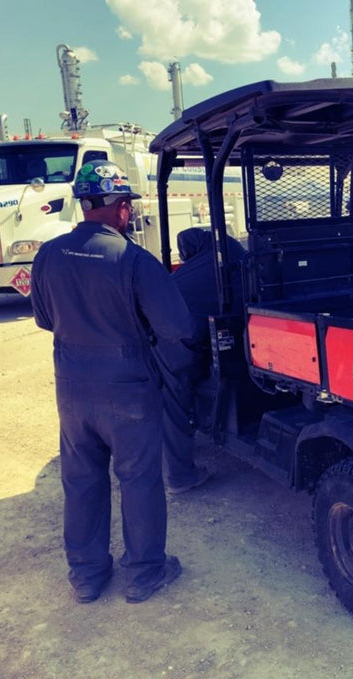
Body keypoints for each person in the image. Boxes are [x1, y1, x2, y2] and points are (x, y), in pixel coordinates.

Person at [31, 160, 194, 604]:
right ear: (122, 208)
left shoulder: (47, 255)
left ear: (83, 206)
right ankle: (144, 573)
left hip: (72, 385)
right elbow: (177, 327)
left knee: (81, 479)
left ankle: (86, 576)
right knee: (138, 477)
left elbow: (45, 319)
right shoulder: (133, 259)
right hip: (127, 386)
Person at [154, 227, 245, 492]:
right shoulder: (228, 254)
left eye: (186, 253)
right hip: (191, 335)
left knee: (171, 401)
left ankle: (178, 476)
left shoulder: (192, 271)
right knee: (176, 397)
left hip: (171, 337)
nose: (185, 258)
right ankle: (179, 469)